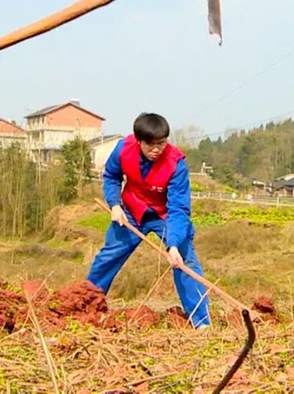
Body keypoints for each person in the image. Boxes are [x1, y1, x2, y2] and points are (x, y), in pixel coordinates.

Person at [86, 113, 211, 327]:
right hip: (132, 211)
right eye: (150, 145)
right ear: (139, 141)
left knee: (184, 261)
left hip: (166, 216)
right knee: (108, 257)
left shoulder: (176, 164)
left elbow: (179, 209)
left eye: (161, 144)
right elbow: (111, 177)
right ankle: (86, 307)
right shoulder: (123, 149)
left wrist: (173, 245)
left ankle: (201, 320)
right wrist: (114, 205)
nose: (156, 150)